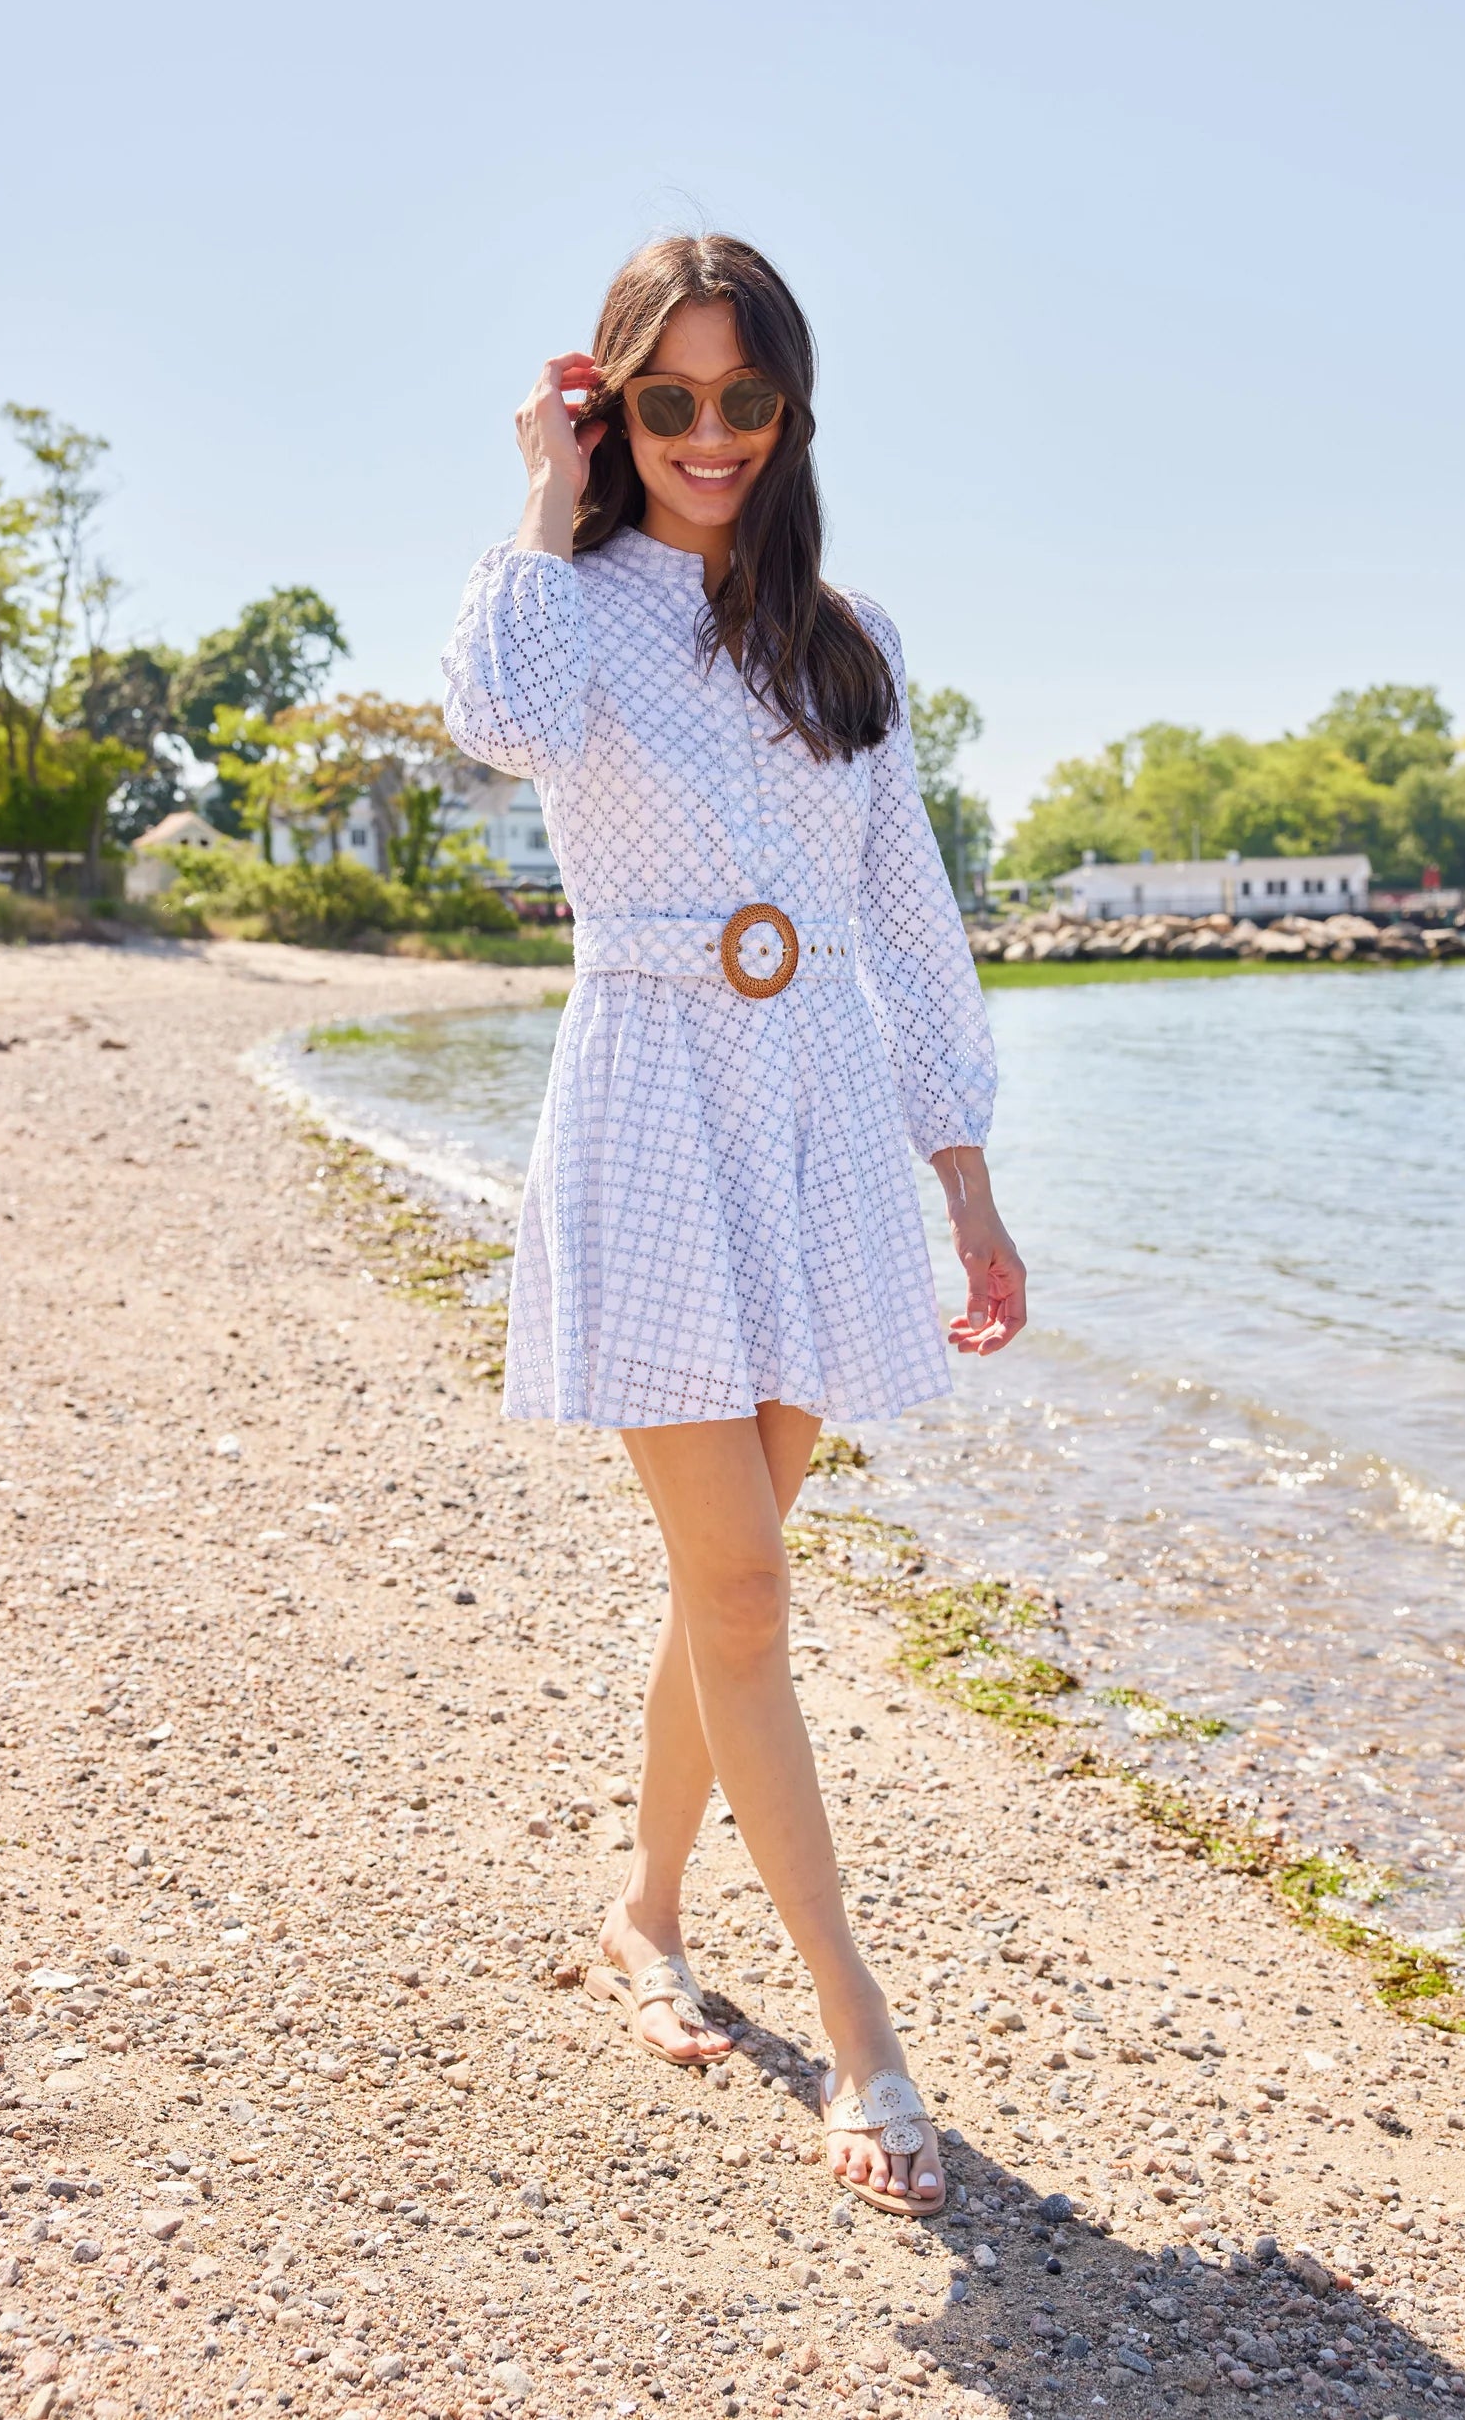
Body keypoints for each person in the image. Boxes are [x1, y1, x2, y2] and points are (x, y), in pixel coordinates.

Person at [441, 234, 1025, 2217]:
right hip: (652, 1110)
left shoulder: (841, 638)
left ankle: (646, 1905)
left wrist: (970, 1181)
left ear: (790, 412)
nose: (707, 436)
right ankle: (862, 2037)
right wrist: (542, 482)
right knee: (752, 1593)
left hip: (824, 1120)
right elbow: (496, 726)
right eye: (665, 400)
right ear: (618, 406)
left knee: (738, 1574)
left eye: (741, 400)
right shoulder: (568, 607)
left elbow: (915, 920)